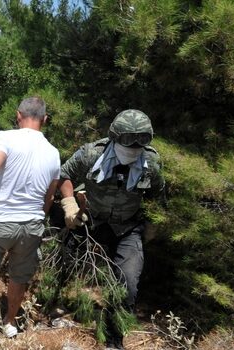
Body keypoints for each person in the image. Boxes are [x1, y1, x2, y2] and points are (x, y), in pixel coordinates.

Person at [59, 109, 165, 350]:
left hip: (127, 228)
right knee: (68, 263)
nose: (135, 146)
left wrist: (152, 226)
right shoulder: (91, 153)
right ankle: (59, 303)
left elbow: (158, 196)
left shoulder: (151, 163)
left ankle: (114, 340)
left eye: (142, 140)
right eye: (129, 139)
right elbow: (64, 175)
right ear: (115, 136)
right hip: (91, 221)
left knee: (127, 285)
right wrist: (69, 205)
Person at [0, 96, 61, 350]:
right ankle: (9, 322)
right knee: (19, 275)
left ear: (18, 115)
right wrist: (38, 218)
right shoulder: (53, 153)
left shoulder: (6, 137)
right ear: (45, 119)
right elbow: (49, 196)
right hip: (31, 224)